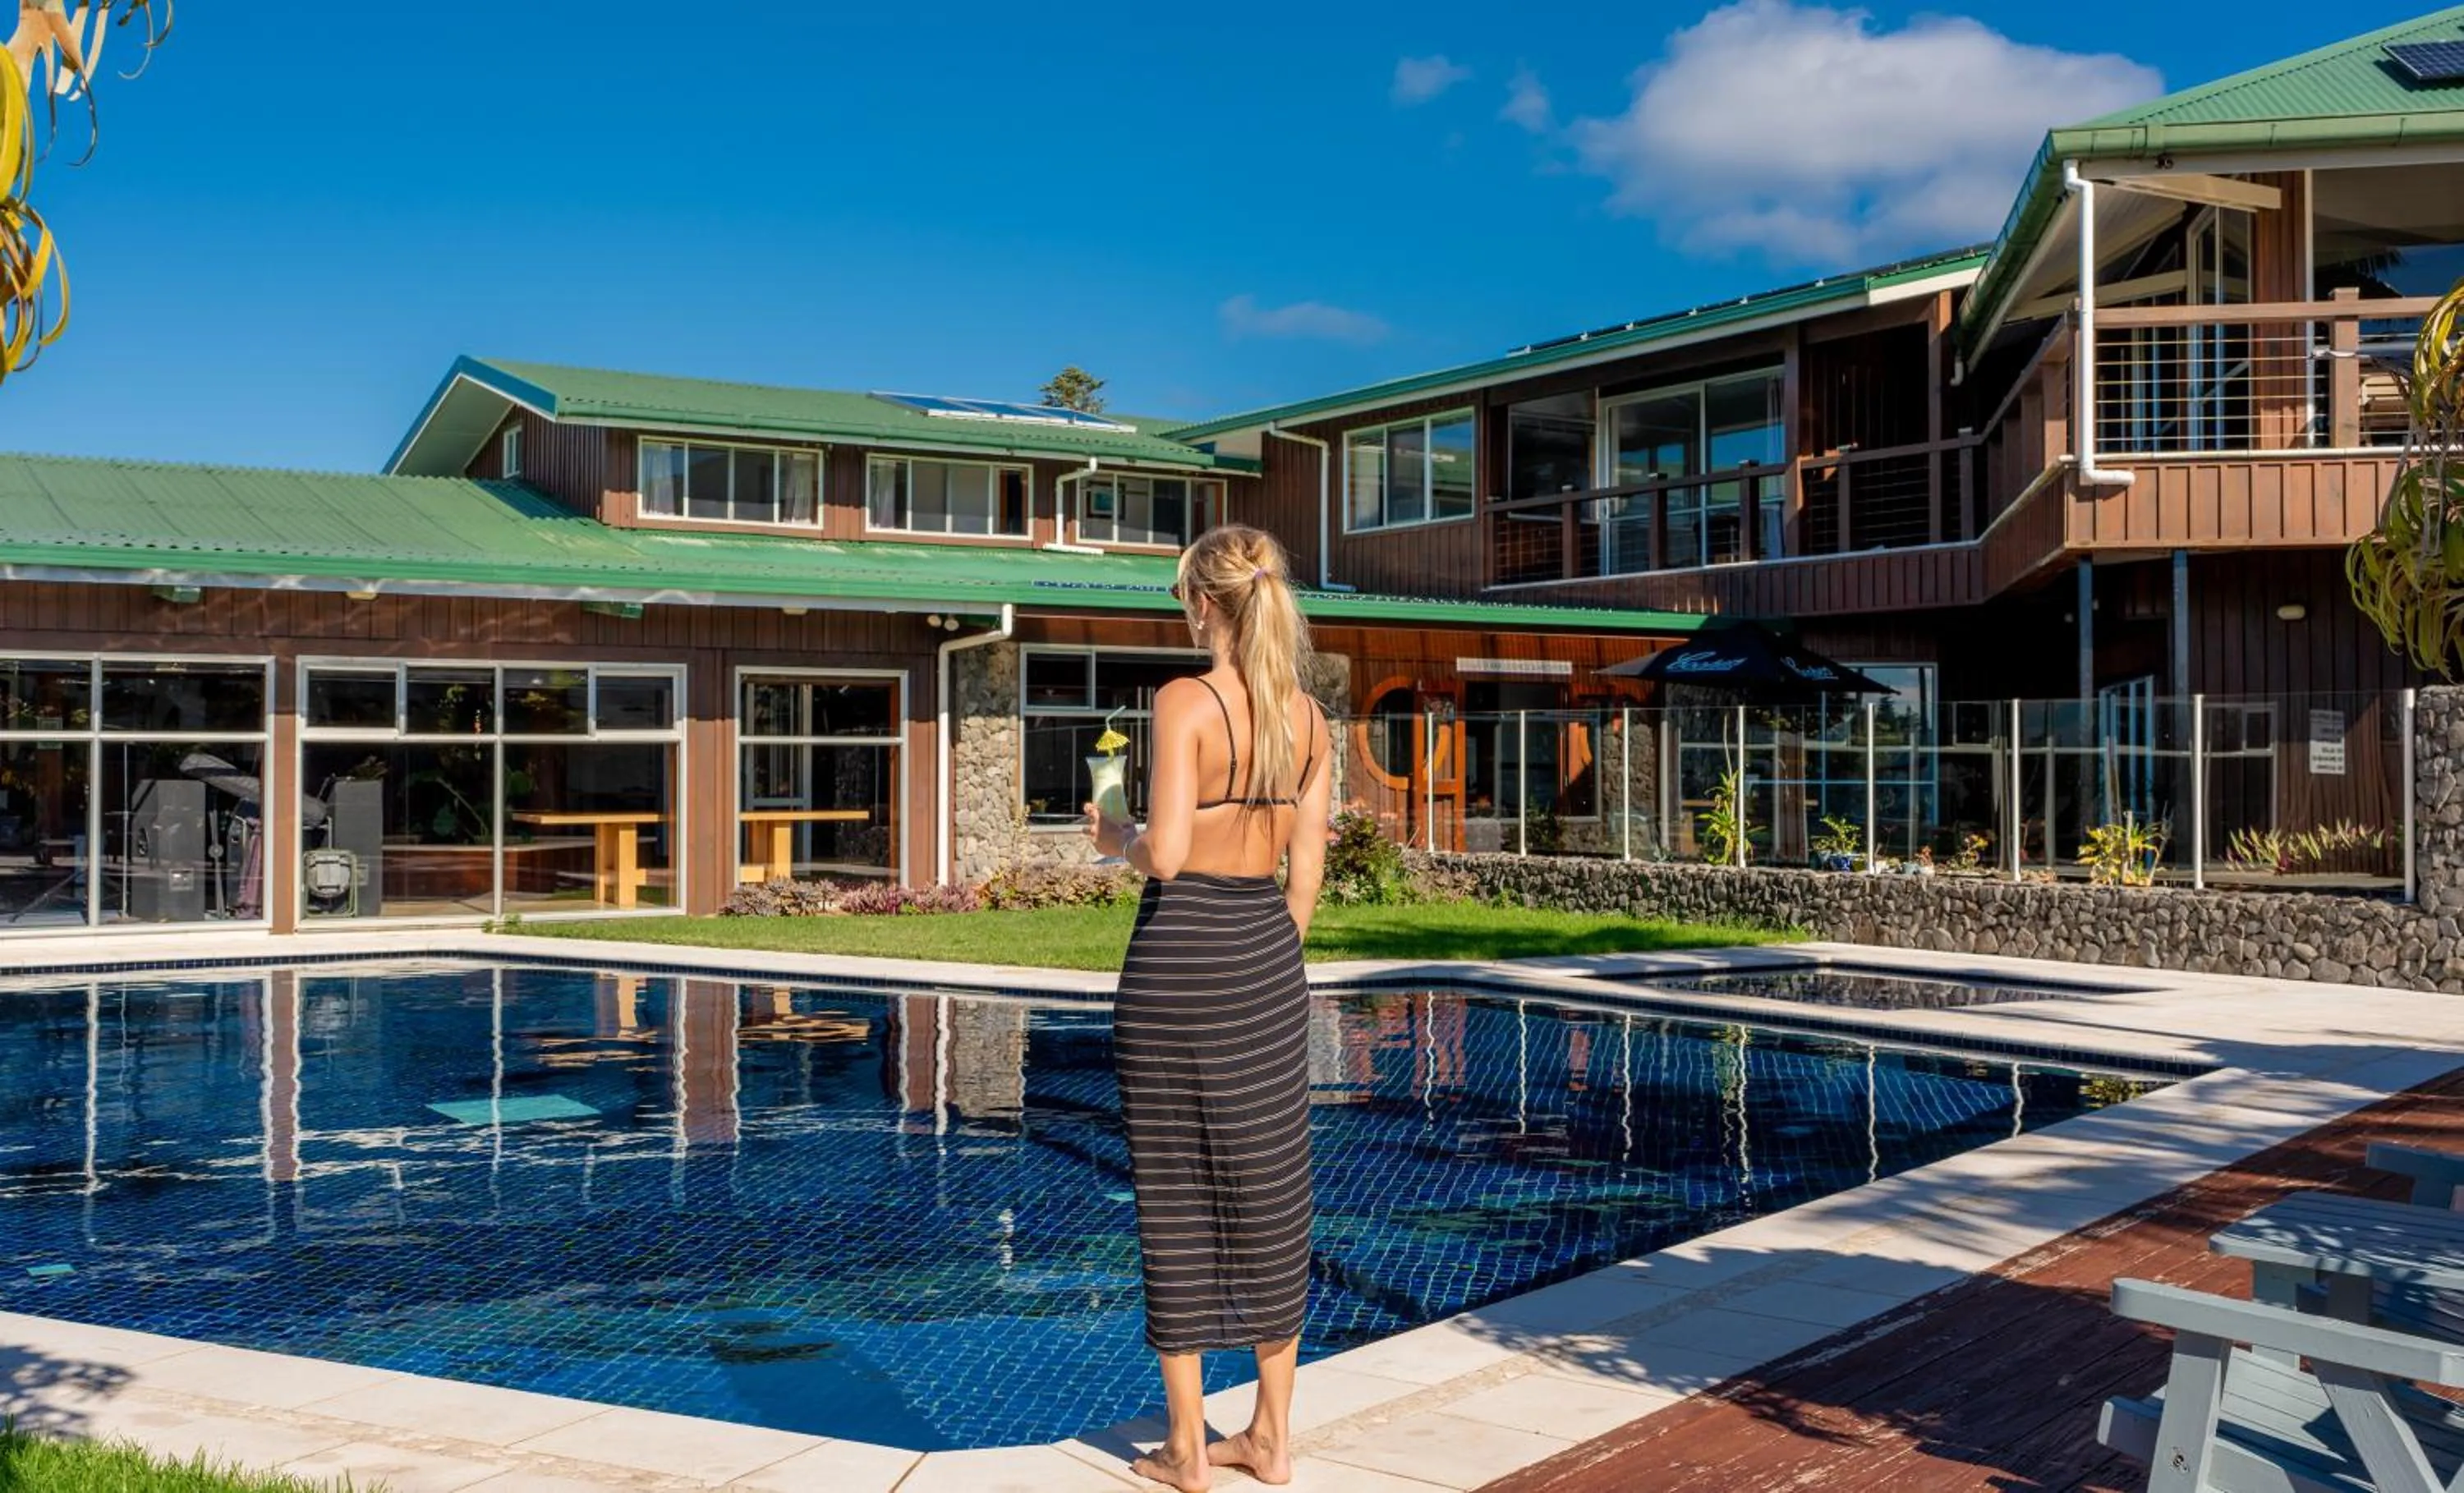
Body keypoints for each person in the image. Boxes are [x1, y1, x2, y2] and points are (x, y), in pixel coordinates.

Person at [1087, 524, 1331, 1491]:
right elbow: (1304, 881)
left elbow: (1172, 853)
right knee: (1275, 1194)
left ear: (1202, 602)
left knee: (1178, 1193)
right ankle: (1270, 1438)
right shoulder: (1310, 721)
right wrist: (1267, 958)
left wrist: (1117, 838)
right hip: (1268, 960)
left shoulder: (1184, 700)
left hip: (1183, 956)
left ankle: (1188, 1449)